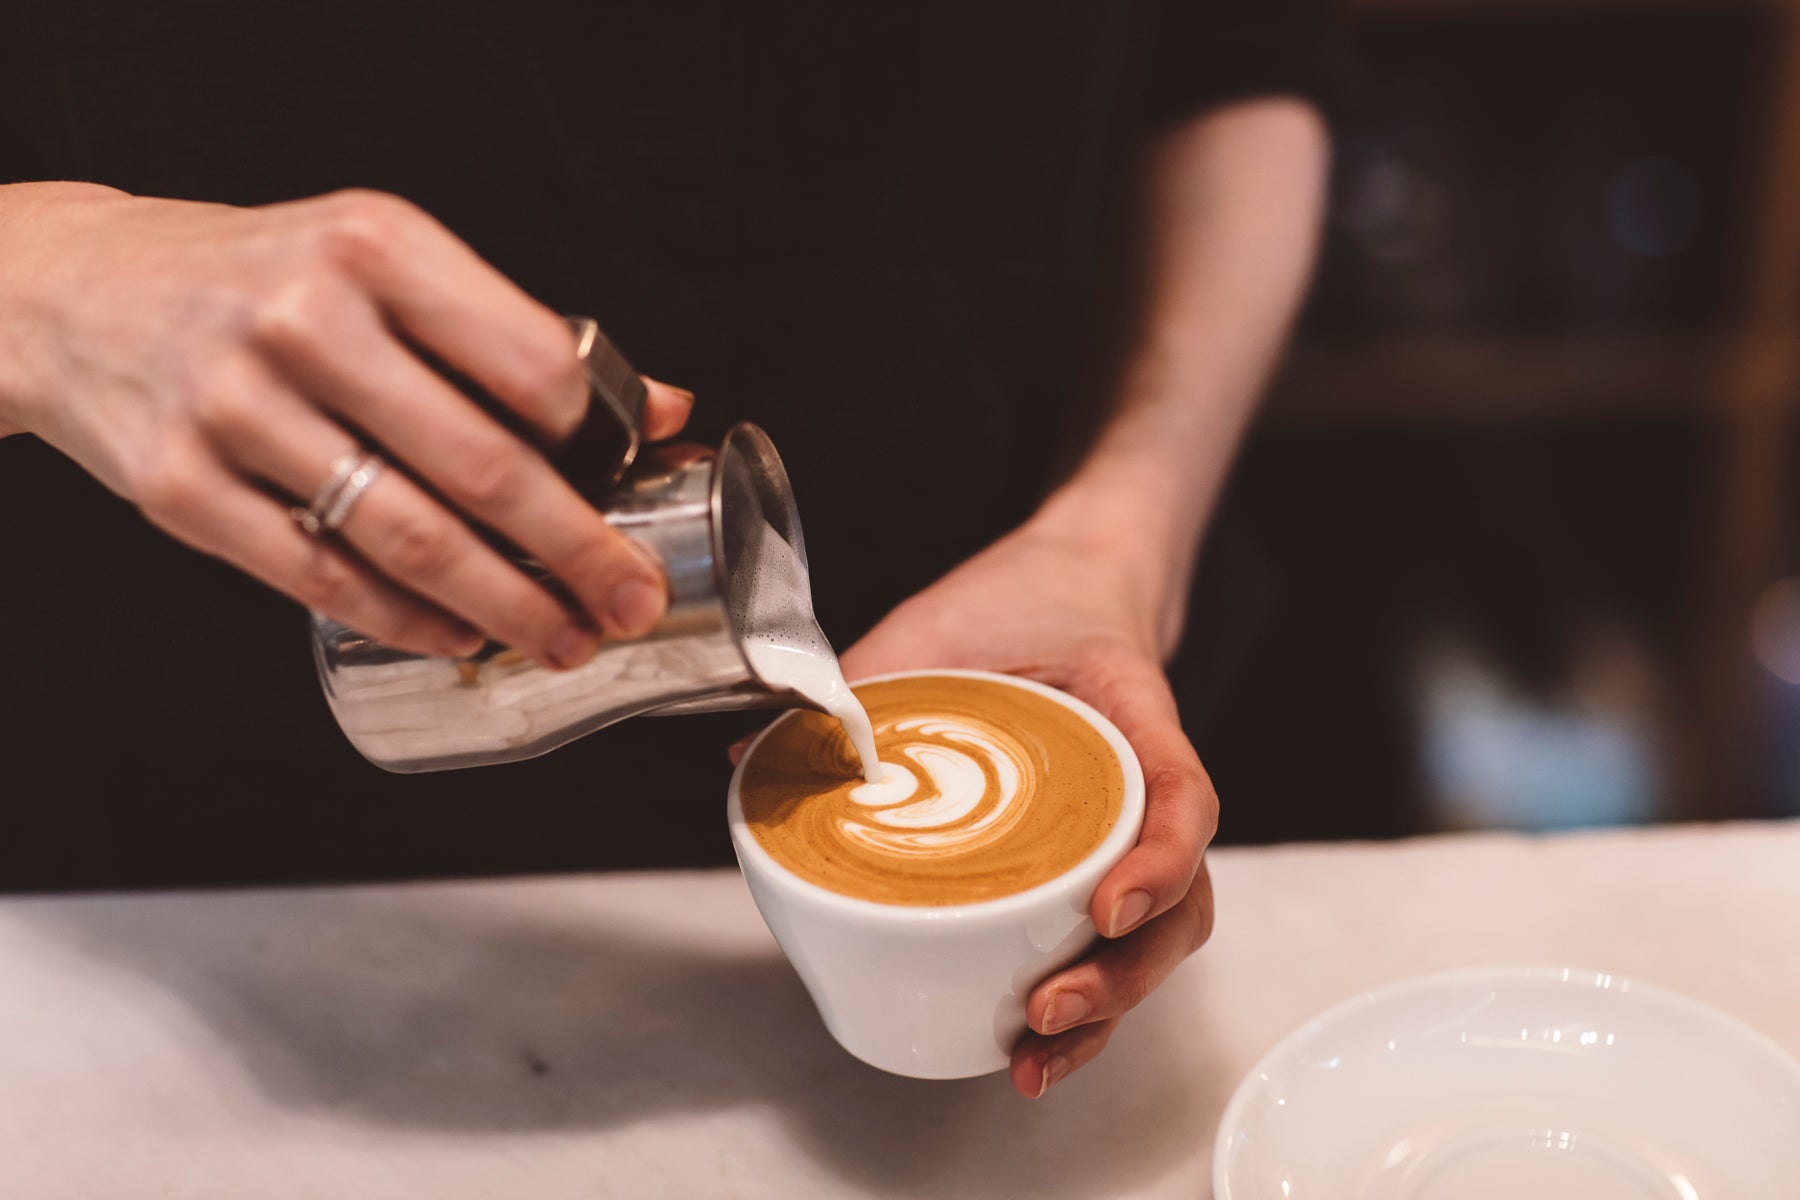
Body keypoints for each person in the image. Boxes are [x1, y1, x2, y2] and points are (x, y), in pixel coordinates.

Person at [0, 4, 1337, 1098]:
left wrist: (1121, 533)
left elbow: (1234, 65)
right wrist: (46, 283)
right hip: (192, 911)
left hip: (1024, 618)